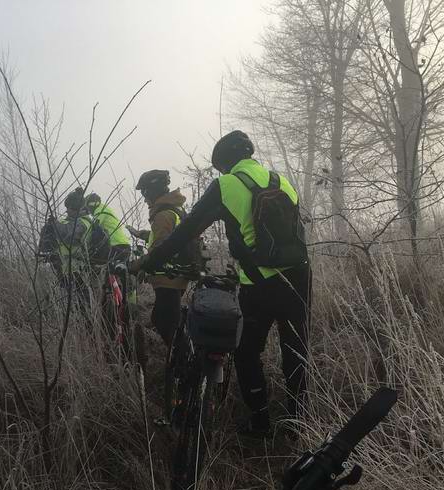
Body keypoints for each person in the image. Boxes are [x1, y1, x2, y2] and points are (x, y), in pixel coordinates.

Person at [130, 130, 311, 437]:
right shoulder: (280, 181)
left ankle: (260, 422)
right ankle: (297, 423)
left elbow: (185, 231)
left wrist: (151, 261)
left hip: (259, 282)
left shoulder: (226, 185)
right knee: (295, 349)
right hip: (300, 275)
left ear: (224, 164)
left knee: (246, 352)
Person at [134, 169, 189, 346]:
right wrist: (143, 234)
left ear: (152, 191)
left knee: (167, 325)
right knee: (163, 320)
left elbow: (160, 249)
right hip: (174, 276)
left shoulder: (163, 214)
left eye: (144, 192)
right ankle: (180, 359)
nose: (144, 198)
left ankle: (181, 368)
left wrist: (139, 266)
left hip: (169, 278)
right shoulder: (173, 210)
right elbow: (169, 238)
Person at [83, 192, 132, 264]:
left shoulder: (100, 211)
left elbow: (93, 229)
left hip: (116, 246)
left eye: (88, 209)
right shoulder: (104, 208)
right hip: (123, 245)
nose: (89, 212)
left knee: (95, 262)